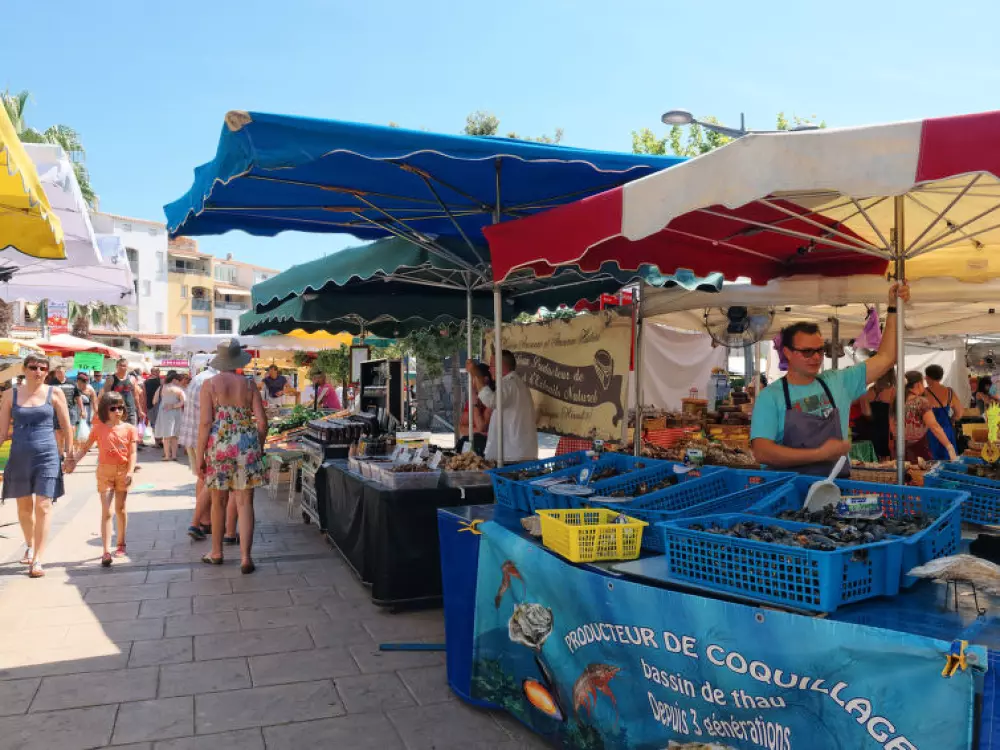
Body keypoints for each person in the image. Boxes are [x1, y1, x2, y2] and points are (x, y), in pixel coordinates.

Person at [750, 282, 910, 476]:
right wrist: (819, 454)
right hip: (788, 492)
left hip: (834, 488)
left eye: (819, 350)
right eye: (807, 352)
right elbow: (762, 452)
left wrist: (893, 308)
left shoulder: (838, 381)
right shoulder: (770, 397)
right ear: (788, 353)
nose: (816, 357)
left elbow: (886, 358)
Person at [197, 339, 267, 574]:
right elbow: (262, 422)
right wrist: (259, 447)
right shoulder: (249, 385)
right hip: (247, 445)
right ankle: (246, 557)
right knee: (245, 502)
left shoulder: (209, 384)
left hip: (220, 446)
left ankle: (216, 552)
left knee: (218, 502)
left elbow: (206, 422)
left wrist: (200, 456)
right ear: (238, 359)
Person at [0, 353, 73, 578]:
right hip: (19, 456)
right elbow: (2, 432)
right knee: (24, 509)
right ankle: (30, 544)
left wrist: (70, 455)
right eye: (33, 367)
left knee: (43, 506)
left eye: (43, 368)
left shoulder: (55, 392)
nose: (38, 372)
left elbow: (67, 426)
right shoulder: (10, 395)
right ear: (24, 369)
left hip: (47, 456)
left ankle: (38, 558)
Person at [68, 392, 138, 566]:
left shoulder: (130, 429)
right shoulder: (98, 428)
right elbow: (85, 449)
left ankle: (121, 543)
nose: (117, 411)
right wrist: (73, 462)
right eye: (113, 408)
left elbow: (133, 452)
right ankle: (106, 551)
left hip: (123, 472)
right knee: (107, 511)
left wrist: (130, 471)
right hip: (104, 473)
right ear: (105, 409)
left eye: (120, 407)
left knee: (120, 509)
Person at [466, 350, 538, 463]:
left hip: (513, 455)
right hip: (516, 453)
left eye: (492, 365)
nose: (490, 369)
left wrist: (476, 374)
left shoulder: (509, 384)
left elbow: (490, 400)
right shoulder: (513, 384)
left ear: (501, 366)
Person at [179, 364, 216, 541]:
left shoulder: (200, 377)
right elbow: (207, 419)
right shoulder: (210, 381)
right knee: (209, 480)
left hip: (192, 435)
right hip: (204, 438)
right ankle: (199, 521)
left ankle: (204, 520)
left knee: (202, 478)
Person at [890, 371, 958, 462]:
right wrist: (949, 446)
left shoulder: (896, 402)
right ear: (918, 384)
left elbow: (892, 428)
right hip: (918, 450)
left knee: (903, 475)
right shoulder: (921, 402)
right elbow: (934, 426)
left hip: (898, 448)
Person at [924, 364, 963, 460]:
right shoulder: (949, 392)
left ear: (928, 377)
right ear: (940, 377)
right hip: (947, 431)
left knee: (930, 463)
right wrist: (952, 419)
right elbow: (960, 413)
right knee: (949, 460)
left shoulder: (923, 393)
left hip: (929, 432)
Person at [857, 370, 895, 459]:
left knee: (882, 457)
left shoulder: (892, 390)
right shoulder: (869, 390)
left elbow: (866, 412)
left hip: (883, 430)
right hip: (874, 429)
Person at [458, 363, 492, 456]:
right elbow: (461, 428)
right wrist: (478, 430)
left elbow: (481, 426)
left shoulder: (492, 398)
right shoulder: (472, 399)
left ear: (485, 380)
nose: (471, 382)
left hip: (487, 449)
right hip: (471, 445)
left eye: (474, 379)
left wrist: (474, 403)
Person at [154, 370, 186, 460]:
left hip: (164, 412)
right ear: (174, 380)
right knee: (175, 436)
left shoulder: (162, 387)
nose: (180, 382)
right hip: (176, 412)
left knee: (166, 436)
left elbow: (155, 400)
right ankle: (174, 455)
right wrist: (174, 405)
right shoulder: (178, 389)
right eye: (179, 380)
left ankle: (167, 455)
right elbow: (184, 401)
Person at [103, 358, 140, 426]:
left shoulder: (132, 379)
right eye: (121, 365)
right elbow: (106, 397)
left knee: (131, 431)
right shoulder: (111, 379)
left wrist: (140, 410)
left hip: (130, 410)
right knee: (118, 432)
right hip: (116, 411)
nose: (122, 367)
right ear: (117, 366)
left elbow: (136, 396)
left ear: (127, 367)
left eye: (124, 366)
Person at [49, 365, 84, 433]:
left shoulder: (72, 383)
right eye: (57, 372)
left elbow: (78, 397)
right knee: (59, 430)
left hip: (70, 409)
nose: (59, 374)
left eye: (61, 372)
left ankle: (70, 443)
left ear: (65, 372)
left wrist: (82, 410)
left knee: (71, 428)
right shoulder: (51, 383)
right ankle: (60, 444)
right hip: (56, 410)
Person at [74, 372, 98, 454]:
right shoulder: (74, 388)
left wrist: (96, 413)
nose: (84, 383)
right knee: (76, 427)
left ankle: (85, 446)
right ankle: (76, 446)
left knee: (87, 427)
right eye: (81, 382)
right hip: (76, 409)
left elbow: (94, 402)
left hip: (87, 409)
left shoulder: (90, 389)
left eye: (85, 381)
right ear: (77, 381)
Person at [144, 367, 162, 436]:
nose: (158, 372)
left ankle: (157, 439)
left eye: (159, 371)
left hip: (151, 404)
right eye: (157, 371)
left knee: (154, 422)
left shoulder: (146, 381)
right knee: (155, 422)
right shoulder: (159, 381)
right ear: (152, 372)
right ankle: (157, 439)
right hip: (155, 404)